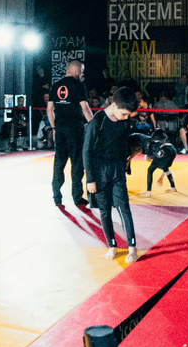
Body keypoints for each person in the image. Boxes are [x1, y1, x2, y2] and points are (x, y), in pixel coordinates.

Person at [84, 87, 146, 260]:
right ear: (113, 105)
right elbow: (86, 151)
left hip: (117, 169)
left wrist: (129, 158)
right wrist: (90, 179)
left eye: (128, 115)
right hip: (99, 171)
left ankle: (132, 247)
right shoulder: (98, 121)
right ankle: (112, 245)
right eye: (124, 114)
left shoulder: (125, 122)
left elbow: (124, 145)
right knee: (104, 210)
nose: (125, 118)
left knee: (123, 207)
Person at [49, 59, 90, 206]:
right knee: (77, 163)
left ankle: (56, 196)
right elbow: (85, 109)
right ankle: (77, 197)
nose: (82, 74)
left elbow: (49, 110)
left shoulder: (56, 85)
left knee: (59, 163)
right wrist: (94, 127)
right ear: (76, 69)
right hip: (75, 129)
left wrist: (54, 128)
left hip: (60, 129)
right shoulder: (78, 85)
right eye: (82, 71)